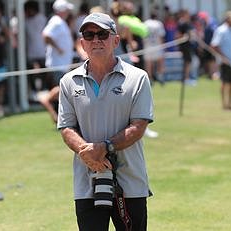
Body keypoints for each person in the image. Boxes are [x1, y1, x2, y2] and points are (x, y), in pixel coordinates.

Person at [57, 12, 154, 231]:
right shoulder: (68, 82)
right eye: (89, 35)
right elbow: (66, 127)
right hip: (87, 182)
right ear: (82, 43)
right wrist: (88, 153)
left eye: (102, 34)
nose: (96, 40)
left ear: (116, 40)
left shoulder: (137, 78)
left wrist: (105, 147)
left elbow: (138, 127)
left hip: (129, 183)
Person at [40, 0, 74, 123]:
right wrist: (58, 48)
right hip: (58, 64)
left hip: (61, 64)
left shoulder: (59, 22)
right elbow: (46, 35)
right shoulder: (56, 22)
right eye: (67, 10)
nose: (69, 12)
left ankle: (60, 119)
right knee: (63, 89)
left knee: (63, 92)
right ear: (62, 10)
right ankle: (46, 99)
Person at [211, 11, 231, 110]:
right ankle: (224, 104)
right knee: (224, 82)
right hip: (225, 61)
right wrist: (223, 57)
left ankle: (230, 104)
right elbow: (215, 45)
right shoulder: (221, 30)